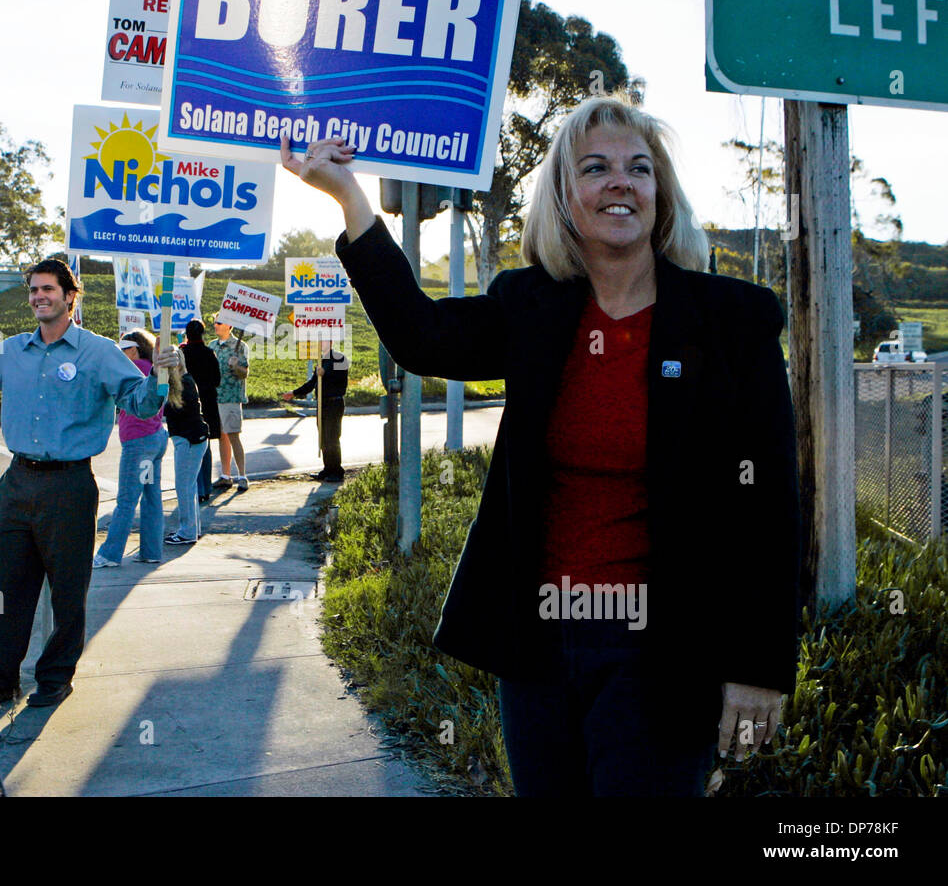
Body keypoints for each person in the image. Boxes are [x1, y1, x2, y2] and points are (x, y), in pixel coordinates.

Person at [279, 94, 802, 798]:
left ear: (660, 195)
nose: (621, 181)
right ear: (563, 197)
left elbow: (768, 507)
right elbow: (421, 336)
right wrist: (349, 195)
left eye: (639, 169)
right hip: (540, 649)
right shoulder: (532, 306)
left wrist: (759, 668)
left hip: (664, 654)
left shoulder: (732, 321)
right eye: (596, 168)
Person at [0, 262, 178, 711]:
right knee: (3, 588)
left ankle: (55, 679)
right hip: (16, 484)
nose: (39, 296)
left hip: (70, 485)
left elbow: (138, 401)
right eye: (34, 289)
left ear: (70, 296)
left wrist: (159, 378)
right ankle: (0, 683)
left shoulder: (98, 351)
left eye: (48, 289)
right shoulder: (13, 350)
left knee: (68, 590)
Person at [93, 329, 168, 567]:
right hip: (155, 439)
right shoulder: (152, 368)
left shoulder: (132, 370)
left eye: (122, 349)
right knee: (151, 497)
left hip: (138, 442)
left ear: (133, 349)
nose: (119, 354)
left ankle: (110, 554)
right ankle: (151, 551)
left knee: (126, 500)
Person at [282, 339, 348, 482]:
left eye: (323, 342)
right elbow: (312, 383)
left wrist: (325, 372)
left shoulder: (340, 358)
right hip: (322, 403)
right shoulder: (321, 361)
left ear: (330, 342)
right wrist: (294, 393)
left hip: (334, 402)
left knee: (332, 436)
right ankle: (328, 468)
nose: (320, 345)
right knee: (323, 437)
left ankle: (337, 471)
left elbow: (338, 377)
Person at [163, 347, 211, 545]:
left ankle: (187, 532)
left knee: (184, 486)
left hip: (190, 439)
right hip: (191, 439)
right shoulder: (183, 381)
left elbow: (177, 410)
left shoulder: (184, 383)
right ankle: (191, 529)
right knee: (188, 487)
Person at [181, 318, 220, 502]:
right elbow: (217, 380)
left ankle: (195, 488)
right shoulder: (209, 353)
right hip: (208, 404)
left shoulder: (182, 353)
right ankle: (206, 487)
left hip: (187, 404)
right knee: (206, 446)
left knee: (189, 448)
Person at [210, 317, 250, 491]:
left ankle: (242, 475)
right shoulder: (212, 346)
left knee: (233, 435)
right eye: (215, 322)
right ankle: (226, 475)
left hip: (231, 397)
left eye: (219, 323)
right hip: (214, 397)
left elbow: (244, 373)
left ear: (229, 325)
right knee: (221, 436)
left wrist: (236, 367)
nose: (215, 325)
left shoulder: (240, 346)